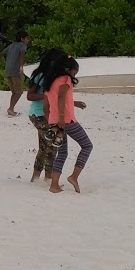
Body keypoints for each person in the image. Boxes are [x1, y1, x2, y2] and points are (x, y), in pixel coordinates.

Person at [46, 55, 92, 193]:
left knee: (62, 152)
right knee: (87, 146)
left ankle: (54, 185)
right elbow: (61, 98)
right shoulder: (65, 80)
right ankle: (74, 176)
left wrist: (74, 104)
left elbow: (54, 100)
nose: (74, 75)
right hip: (66, 120)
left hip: (54, 119)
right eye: (74, 72)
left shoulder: (51, 81)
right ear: (68, 70)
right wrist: (62, 117)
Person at [24, 49, 67, 183]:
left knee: (44, 147)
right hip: (39, 114)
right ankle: (48, 178)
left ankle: (35, 178)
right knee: (52, 146)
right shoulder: (40, 76)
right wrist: (48, 96)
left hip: (46, 114)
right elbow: (29, 95)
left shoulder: (53, 76)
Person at [0, 30, 31, 116]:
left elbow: (0, 54)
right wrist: (21, 66)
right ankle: (10, 109)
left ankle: (11, 108)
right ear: (22, 39)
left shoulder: (11, 46)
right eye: (27, 38)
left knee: (14, 92)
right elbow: (22, 54)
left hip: (8, 71)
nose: (28, 40)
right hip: (16, 71)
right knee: (19, 92)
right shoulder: (22, 46)